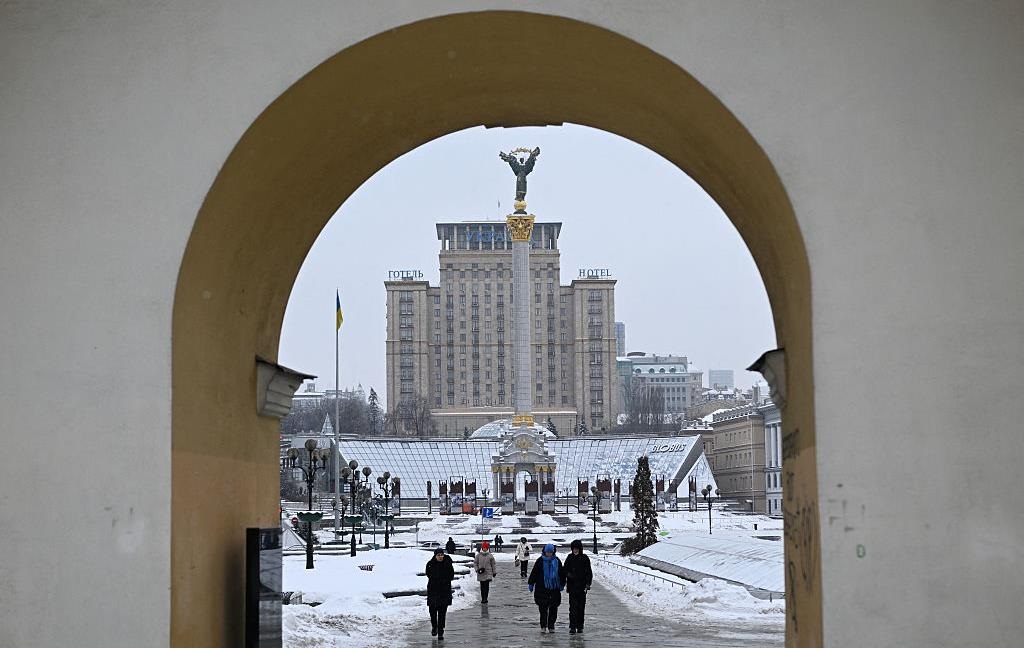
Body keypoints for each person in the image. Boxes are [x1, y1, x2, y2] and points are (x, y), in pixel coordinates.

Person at [528, 543, 565, 634]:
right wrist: (531, 583)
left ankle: (551, 625)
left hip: (554, 590)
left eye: (550, 552)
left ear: (553, 552)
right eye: (547, 552)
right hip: (542, 589)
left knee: (553, 609)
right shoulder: (540, 561)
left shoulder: (557, 561)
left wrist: (562, 584)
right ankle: (543, 626)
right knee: (543, 609)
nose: (549, 554)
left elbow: (561, 574)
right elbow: (534, 573)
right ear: (544, 552)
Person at [563, 539, 593, 634]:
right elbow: (564, 569)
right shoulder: (569, 557)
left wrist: (588, 584)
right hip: (572, 587)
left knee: (581, 608)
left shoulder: (584, 558)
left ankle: (580, 626)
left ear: (580, 549)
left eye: (577, 549)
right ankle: (572, 626)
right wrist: (568, 574)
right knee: (572, 608)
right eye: (574, 549)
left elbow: (589, 572)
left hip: (582, 587)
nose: (575, 550)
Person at [425, 547, 455, 640]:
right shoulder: (430, 564)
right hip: (433, 591)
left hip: (444, 591)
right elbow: (428, 574)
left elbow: (451, 575)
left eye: (442, 555)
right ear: (435, 556)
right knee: (432, 612)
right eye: (438, 555)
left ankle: (441, 631)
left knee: (442, 613)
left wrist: (444, 581)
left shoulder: (448, 564)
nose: (440, 556)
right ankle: (434, 627)